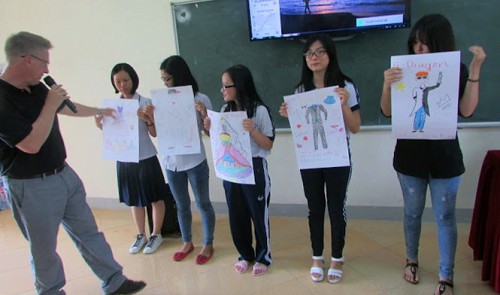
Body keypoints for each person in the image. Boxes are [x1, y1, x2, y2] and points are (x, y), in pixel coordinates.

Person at [0, 31, 146, 294]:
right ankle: (51, 291)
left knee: (89, 232)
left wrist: (100, 111)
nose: (47, 69)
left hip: (64, 175)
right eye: (44, 61)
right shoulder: (1, 98)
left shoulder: (35, 85)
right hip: (31, 185)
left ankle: (114, 282)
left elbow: (65, 107)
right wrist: (50, 104)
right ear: (25, 59)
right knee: (44, 248)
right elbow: (30, 144)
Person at [379, 14, 486, 295]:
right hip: (409, 157)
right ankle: (411, 260)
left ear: (439, 42)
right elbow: (387, 111)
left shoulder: (456, 70)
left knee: (445, 217)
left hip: (445, 157)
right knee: (412, 214)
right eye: (415, 43)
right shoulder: (402, 70)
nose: (418, 49)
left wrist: (474, 70)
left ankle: (445, 276)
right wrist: (387, 84)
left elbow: (467, 110)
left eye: (424, 44)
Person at [279, 33, 361, 284]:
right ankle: (317, 256)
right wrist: (289, 115)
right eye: (309, 53)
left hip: (338, 157)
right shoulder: (300, 91)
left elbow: (355, 127)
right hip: (310, 159)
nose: (313, 58)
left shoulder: (345, 87)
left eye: (319, 52)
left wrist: (345, 105)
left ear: (330, 54)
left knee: (336, 208)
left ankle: (337, 257)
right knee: (315, 208)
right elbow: (302, 131)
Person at [203, 64, 275, 276]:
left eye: (226, 85)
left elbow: (268, 144)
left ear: (240, 86)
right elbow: (220, 141)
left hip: (255, 169)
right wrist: (209, 128)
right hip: (231, 171)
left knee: (258, 215)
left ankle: (264, 256)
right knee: (237, 215)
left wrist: (252, 130)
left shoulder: (259, 110)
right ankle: (245, 254)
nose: (222, 90)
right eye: (222, 86)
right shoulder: (225, 110)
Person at [144, 55, 216, 264]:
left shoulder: (200, 98)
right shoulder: (160, 101)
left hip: (195, 161)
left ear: (179, 77)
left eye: (168, 79)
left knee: (203, 203)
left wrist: (204, 115)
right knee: (181, 204)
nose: (165, 84)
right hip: (171, 162)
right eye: (163, 80)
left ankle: (208, 243)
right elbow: (157, 133)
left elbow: (210, 134)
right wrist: (149, 119)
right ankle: (187, 241)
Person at [95, 63, 167, 255]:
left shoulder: (145, 102)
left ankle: (156, 234)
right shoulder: (112, 107)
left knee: (155, 197)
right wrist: (99, 124)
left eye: (125, 80)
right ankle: (140, 234)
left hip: (146, 157)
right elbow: (113, 135)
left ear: (133, 79)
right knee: (134, 199)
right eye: (117, 81)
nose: (122, 85)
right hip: (125, 159)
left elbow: (155, 133)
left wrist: (148, 119)